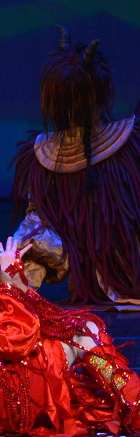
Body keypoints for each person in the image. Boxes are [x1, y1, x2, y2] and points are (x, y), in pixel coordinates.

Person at [0, 189, 140, 437]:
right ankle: (135, 402)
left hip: (5, 380)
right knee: (84, 334)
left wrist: (13, 280)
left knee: (80, 327)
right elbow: (15, 341)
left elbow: (47, 317)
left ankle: (133, 400)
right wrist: (5, 286)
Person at [8, 30, 140, 303]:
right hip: (85, 286)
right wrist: (18, 271)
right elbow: (38, 220)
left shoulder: (129, 146)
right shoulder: (42, 158)